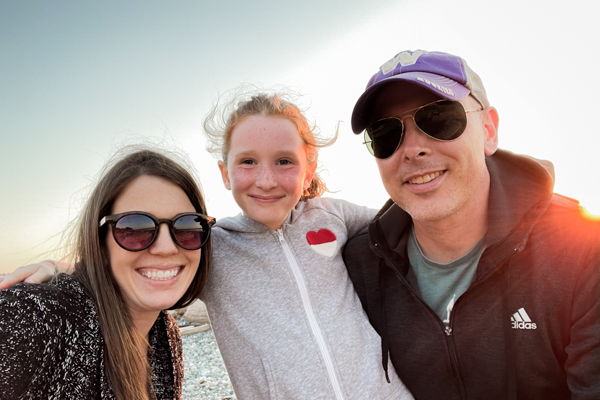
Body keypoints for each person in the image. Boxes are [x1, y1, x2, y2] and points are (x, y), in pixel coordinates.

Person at [2, 91, 413, 400]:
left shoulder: (333, 216)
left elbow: (410, 217)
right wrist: (58, 268)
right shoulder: (209, 244)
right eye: (248, 161)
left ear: (309, 169)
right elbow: (133, 254)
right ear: (225, 173)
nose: (266, 179)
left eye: (284, 161)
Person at [343, 49, 600, 399]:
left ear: (488, 130)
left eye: (438, 118)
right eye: (385, 133)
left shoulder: (583, 249)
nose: (412, 149)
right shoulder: (359, 267)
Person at [0, 148, 215, 400]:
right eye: (135, 228)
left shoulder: (166, 335)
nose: (166, 247)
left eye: (188, 226)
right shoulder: (33, 315)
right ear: (100, 243)